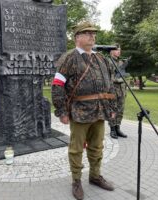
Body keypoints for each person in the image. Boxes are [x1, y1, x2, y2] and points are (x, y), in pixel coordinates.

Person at [51, 21, 116, 200]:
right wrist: (62, 111)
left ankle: (95, 176)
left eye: (93, 33)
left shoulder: (101, 58)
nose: (92, 36)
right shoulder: (68, 58)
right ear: (77, 37)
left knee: (97, 147)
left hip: (100, 110)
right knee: (76, 149)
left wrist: (111, 108)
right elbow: (57, 86)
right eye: (87, 33)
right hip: (80, 112)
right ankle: (76, 181)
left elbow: (109, 85)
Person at [108, 44, 128, 139]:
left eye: (120, 50)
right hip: (113, 90)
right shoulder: (108, 62)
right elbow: (109, 77)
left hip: (121, 90)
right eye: (116, 50)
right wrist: (120, 80)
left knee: (120, 110)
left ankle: (117, 128)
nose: (119, 51)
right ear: (111, 51)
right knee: (113, 110)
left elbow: (123, 75)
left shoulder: (121, 62)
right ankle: (112, 129)